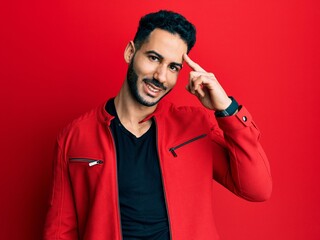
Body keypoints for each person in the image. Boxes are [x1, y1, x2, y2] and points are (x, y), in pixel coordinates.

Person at [43, 10, 272, 240]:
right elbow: (60, 231)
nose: (161, 77)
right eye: (154, 58)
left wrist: (226, 108)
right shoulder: (75, 136)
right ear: (130, 52)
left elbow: (257, 188)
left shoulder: (196, 126)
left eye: (173, 67)